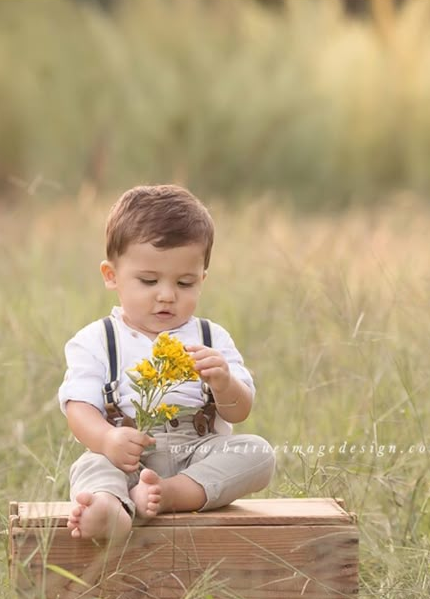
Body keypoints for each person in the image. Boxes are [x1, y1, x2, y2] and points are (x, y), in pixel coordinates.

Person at [58, 184, 276, 541]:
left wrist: (224, 384)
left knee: (257, 453)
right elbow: (78, 408)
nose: (167, 295)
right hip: (127, 454)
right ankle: (110, 507)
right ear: (111, 276)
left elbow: (239, 412)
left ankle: (170, 493)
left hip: (196, 454)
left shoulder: (211, 337)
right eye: (148, 280)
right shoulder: (96, 340)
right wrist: (108, 438)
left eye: (185, 283)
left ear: (202, 280)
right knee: (92, 464)